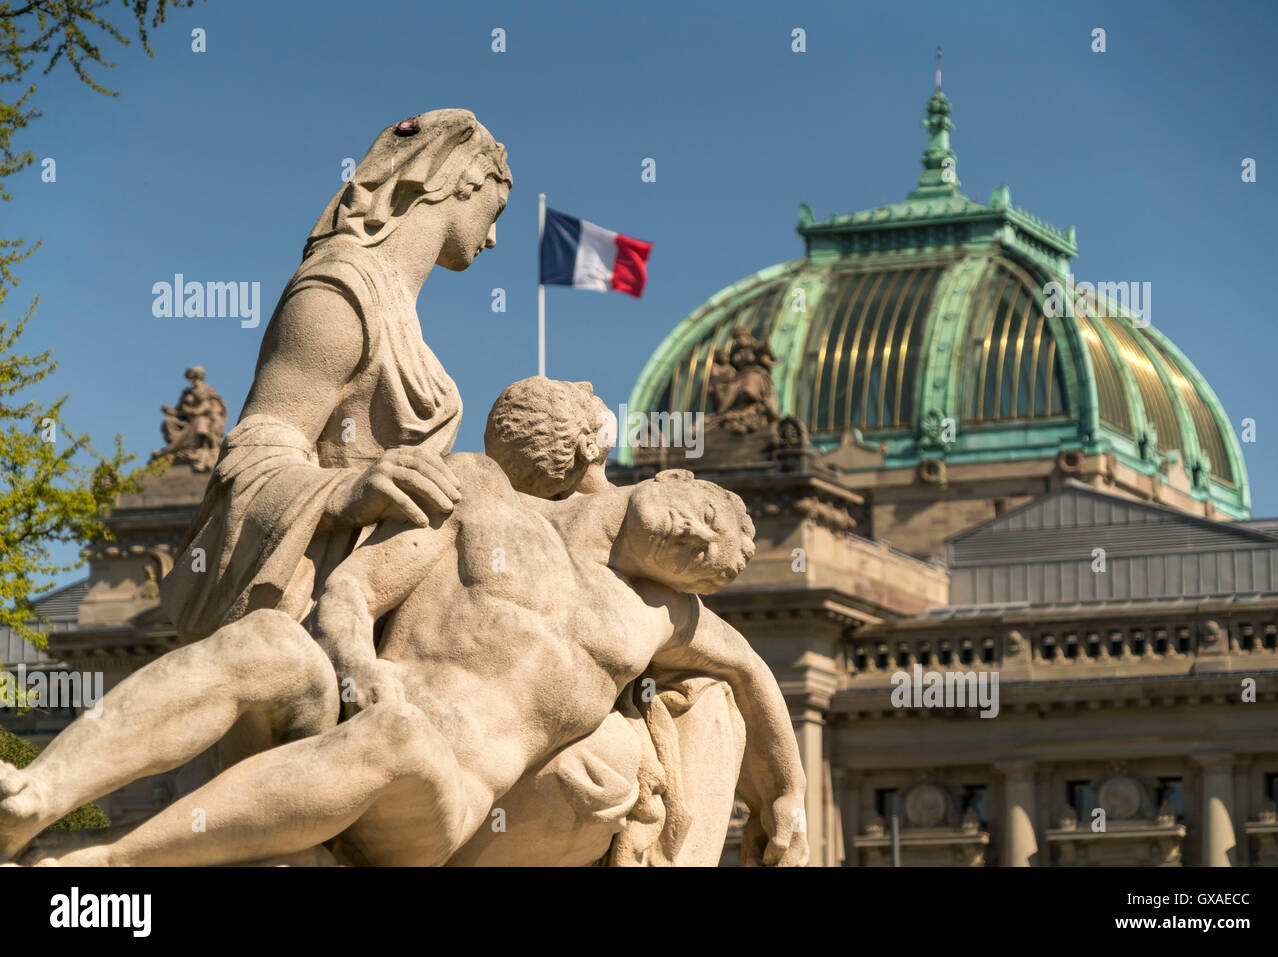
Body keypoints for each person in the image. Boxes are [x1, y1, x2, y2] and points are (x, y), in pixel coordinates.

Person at [2, 465, 807, 868]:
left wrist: (791, 797)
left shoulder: (656, 613)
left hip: (443, 793)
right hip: (354, 707)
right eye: (702, 518)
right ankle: (34, 796)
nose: (693, 544)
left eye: (706, 562)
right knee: (268, 643)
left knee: (400, 736)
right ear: (670, 476)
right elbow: (354, 586)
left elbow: (755, 679)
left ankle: (101, 867)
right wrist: (354, 660)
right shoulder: (485, 500)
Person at [160, 109, 511, 643]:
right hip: (313, 611)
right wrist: (348, 491)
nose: (494, 239)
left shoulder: (400, 311)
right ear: (461, 180)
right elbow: (250, 463)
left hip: (389, 594)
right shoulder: (339, 292)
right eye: (497, 208)